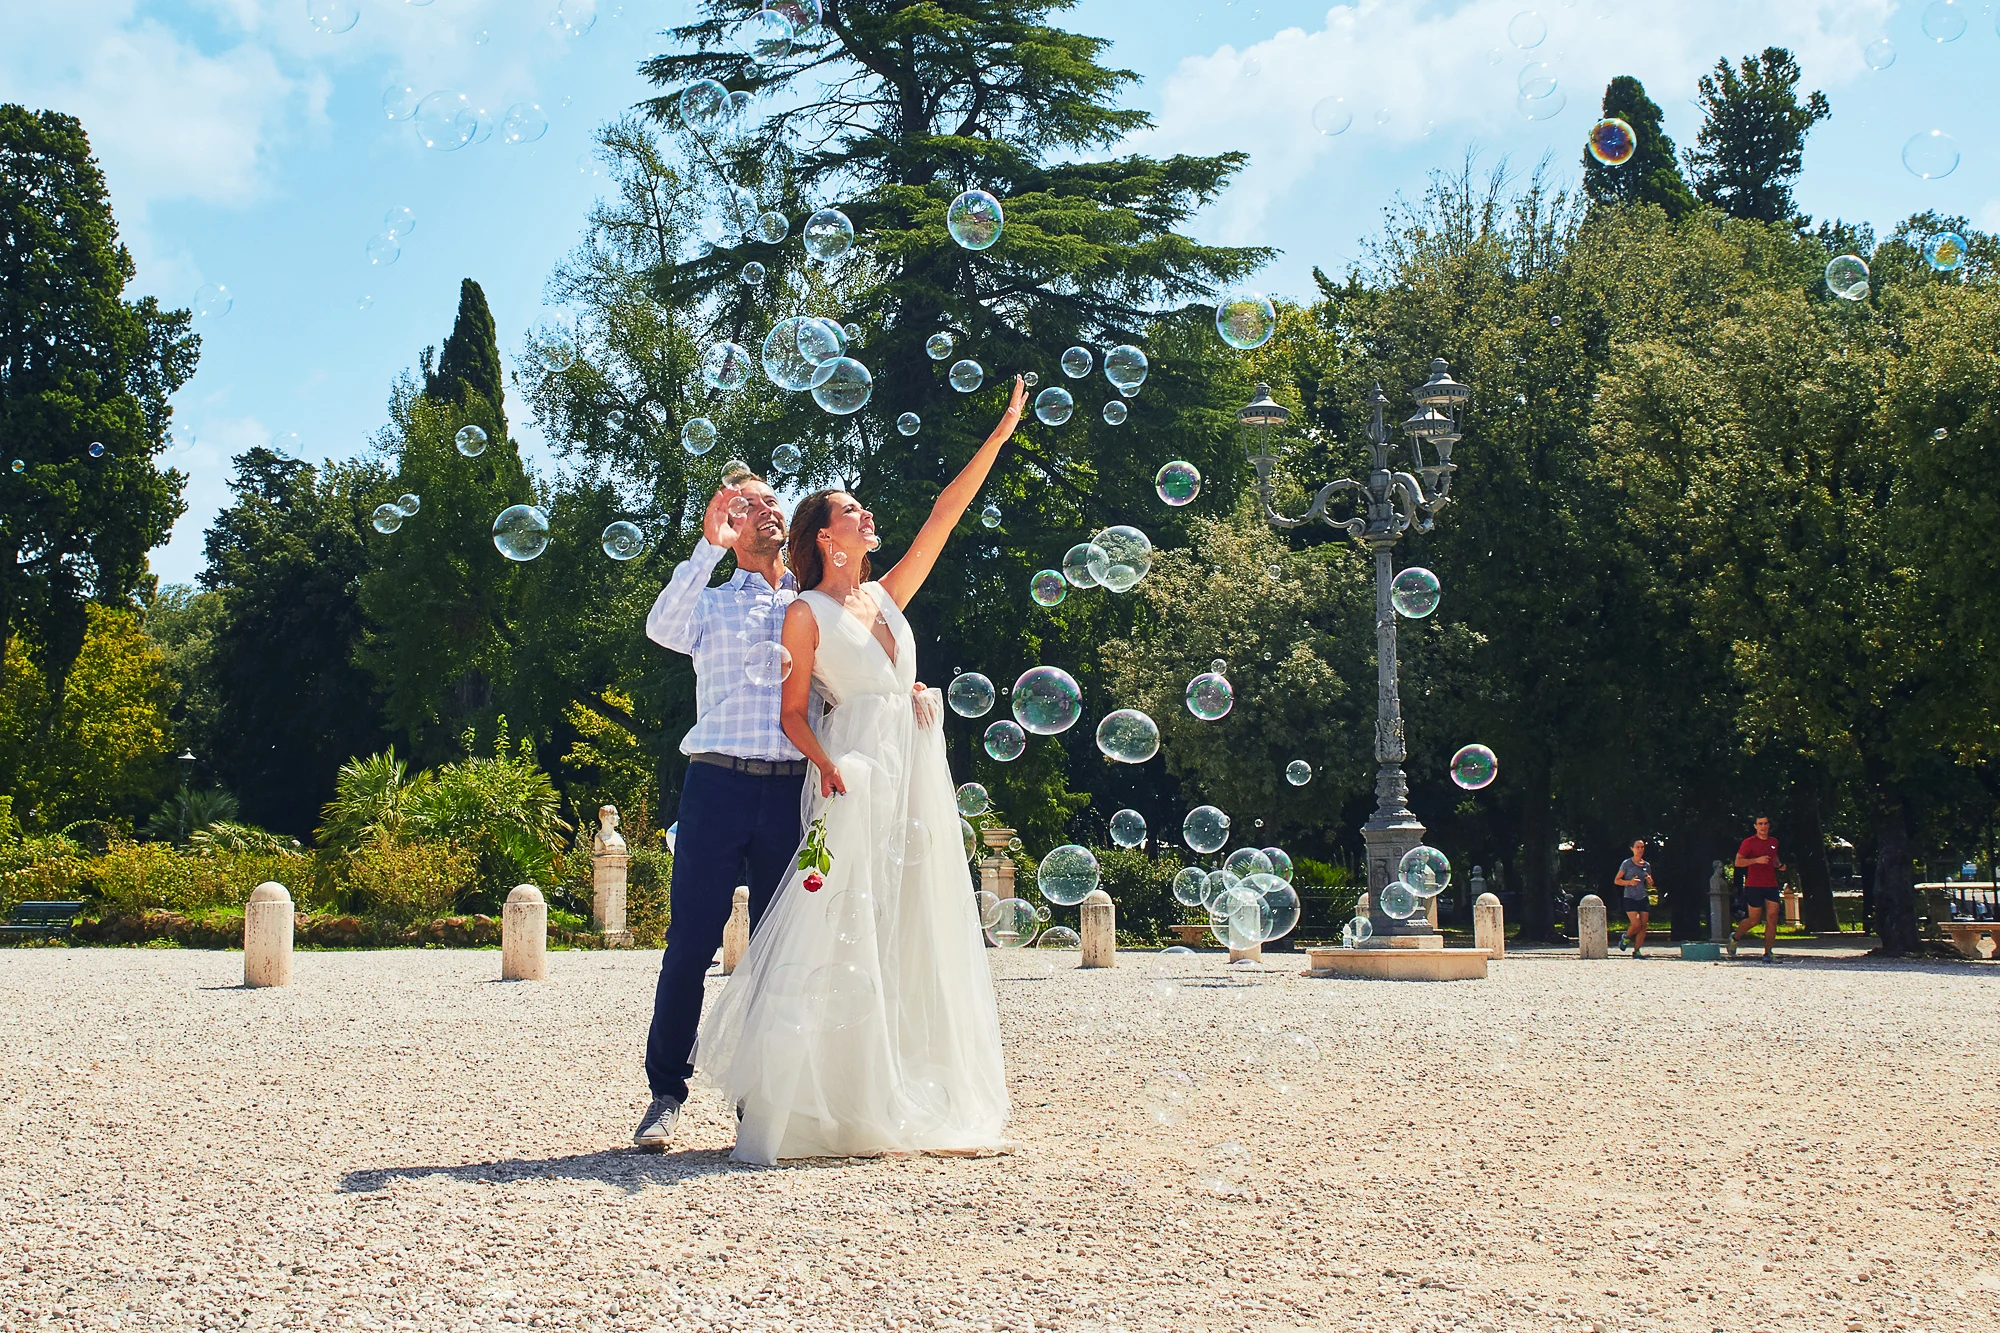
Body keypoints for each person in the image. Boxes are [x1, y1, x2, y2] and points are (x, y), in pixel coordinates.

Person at [696, 377, 1028, 1163]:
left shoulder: (888, 595)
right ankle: (817, 1103)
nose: (868, 517)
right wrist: (828, 766)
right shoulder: (805, 613)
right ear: (824, 536)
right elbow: (788, 711)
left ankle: (901, 1087)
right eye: (853, 511)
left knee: (909, 926)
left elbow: (946, 515)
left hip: (912, 775)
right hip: (854, 778)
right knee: (838, 926)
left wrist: (1003, 431)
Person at [632, 475, 803, 1149]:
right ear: (732, 522)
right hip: (716, 783)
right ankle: (665, 1094)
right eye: (752, 503)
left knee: (777, 950)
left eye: (773, 501)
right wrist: (705, 548)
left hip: (790, 791)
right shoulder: (711, 604)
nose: (770, 510)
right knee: (689, 944)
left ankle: (757, 1098)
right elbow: (660, 626)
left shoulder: (809, 603)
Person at [1729, 815, 1786, 961]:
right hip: (1754, 885)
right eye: (1760, 823)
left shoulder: (1774, 841)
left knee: (1772, 917)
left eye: (1766, 823)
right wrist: (1756, 860)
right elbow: (1738, 862)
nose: (1763, 826)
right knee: (1754, 920)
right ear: (1755, 826)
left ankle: (1768, 953)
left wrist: (1779, 865)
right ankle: (1735, 938)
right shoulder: (1749, 842)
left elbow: (1773, 857)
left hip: (1771, 885)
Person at [1614, 839, 1655, 957]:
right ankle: (1625, 938)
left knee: (1643, 926)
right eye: (1638, 847)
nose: (1640, 850)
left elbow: (1650, 884)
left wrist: (1649, 881)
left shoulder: (1646, 865)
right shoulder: (1627, 863)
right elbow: (1617, 880)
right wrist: (1630, 882)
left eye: (1642, 847)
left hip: (1642, 897)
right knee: (1636, 924)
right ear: (1632, 848)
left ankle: (1637, 951)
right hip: (1630, 897)